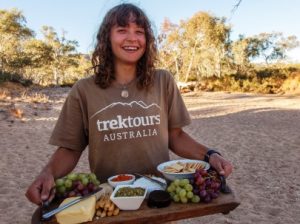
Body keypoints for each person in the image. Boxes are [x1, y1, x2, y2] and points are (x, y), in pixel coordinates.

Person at [26, 3, 233, 205]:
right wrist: (48, 173)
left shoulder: (163, 81)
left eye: (139, 31)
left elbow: (176, 136)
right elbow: (70, 149)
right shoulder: (84, 90)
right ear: (107, 37)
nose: (132, 38)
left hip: (158, 197)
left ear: (147, 39)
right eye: (122, 30)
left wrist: (210, 155)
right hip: (110, 201)